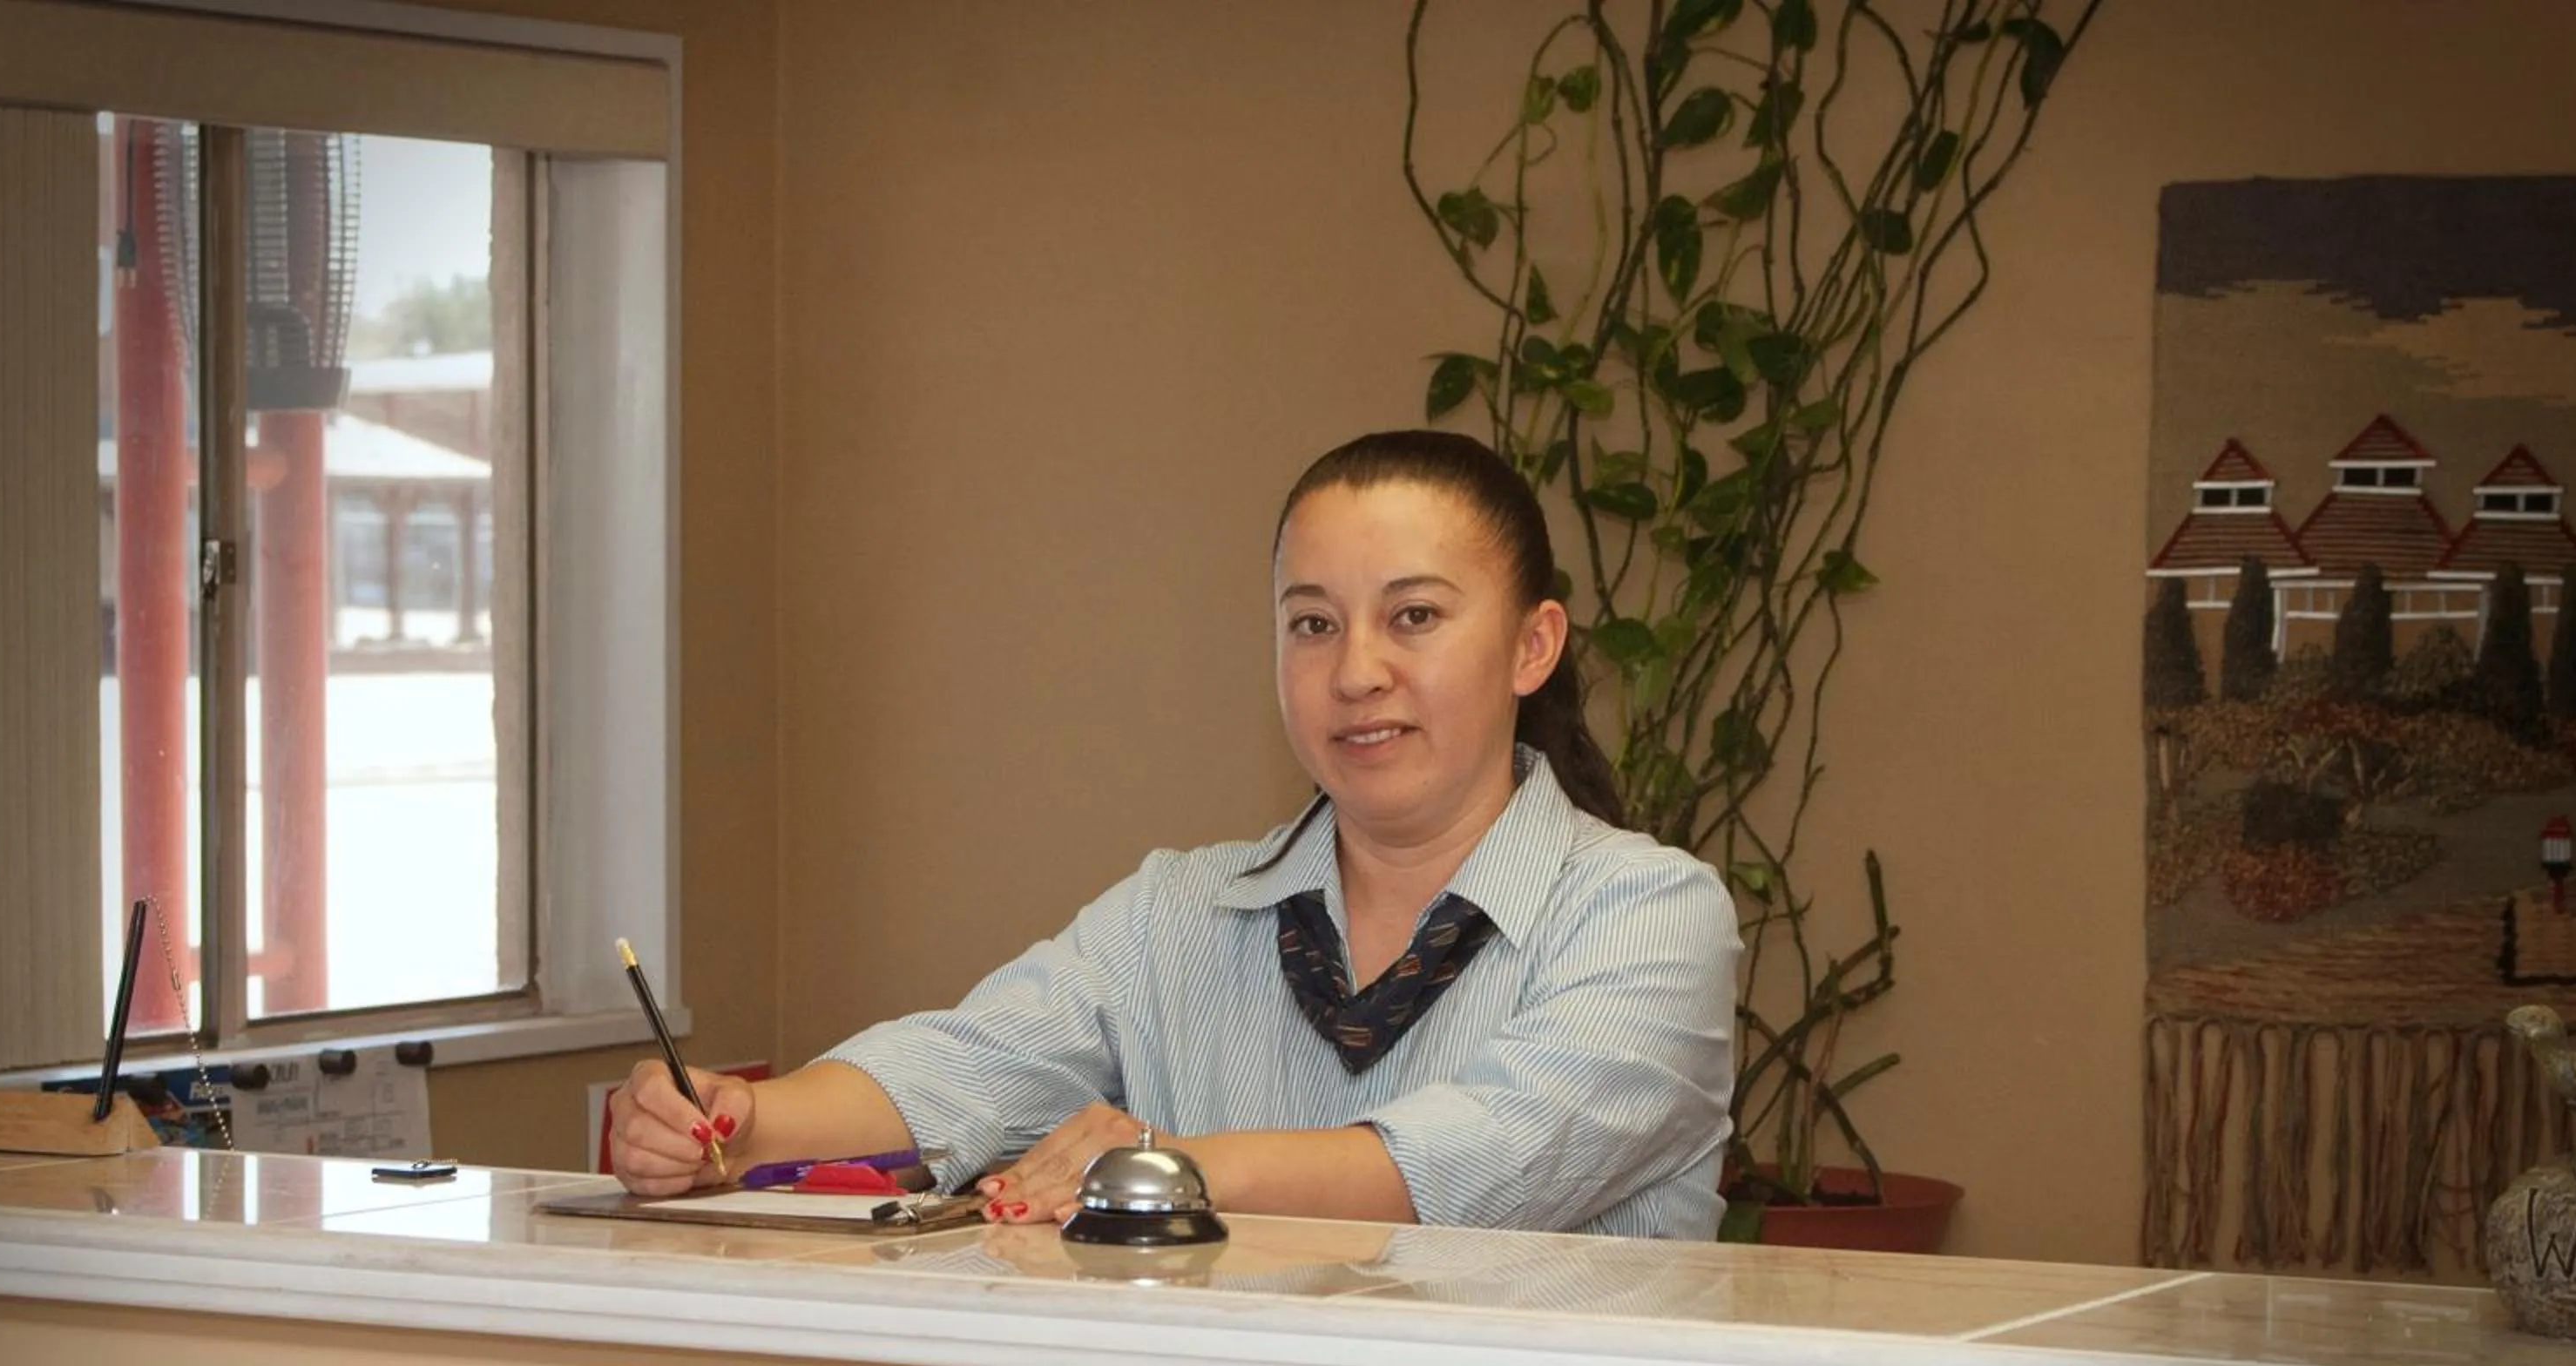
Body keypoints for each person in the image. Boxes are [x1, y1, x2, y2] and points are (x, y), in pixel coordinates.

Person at [608, 429, 1741, 1238]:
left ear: (1533, 647)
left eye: (1416, 617)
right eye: (1311, 624)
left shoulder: (1648, 915)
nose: (1356, 671)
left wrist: (1172, 1167)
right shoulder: (1181, 910)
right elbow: (973, 1064)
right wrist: (747, 1119)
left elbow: (1492, 1156)